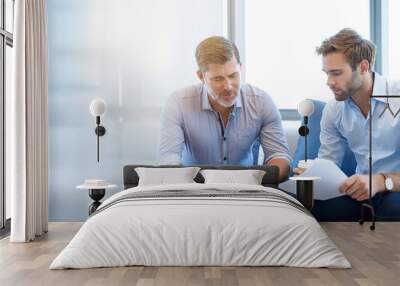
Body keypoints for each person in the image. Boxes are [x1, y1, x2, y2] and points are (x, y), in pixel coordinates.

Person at [294, 28, 400, 220]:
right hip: (359, 193)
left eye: (336, 73)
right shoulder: (334, 109)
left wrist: (380, 181)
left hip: (394, 189)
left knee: (394, 209)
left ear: (363, 67)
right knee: (305, 207)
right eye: (327, 73)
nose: (329, 82)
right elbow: (329, 162)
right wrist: (314, 174)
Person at [159, 36, 291, 181]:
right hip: (193, 189)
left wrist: (258, 181)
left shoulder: (262, 102)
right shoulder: (178, 103)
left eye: (233, 76)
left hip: (246, 188)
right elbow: (169, 160)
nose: (228, 86)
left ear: (241, 67)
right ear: (201, 76)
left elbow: (279, 156)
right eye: (218, 79)